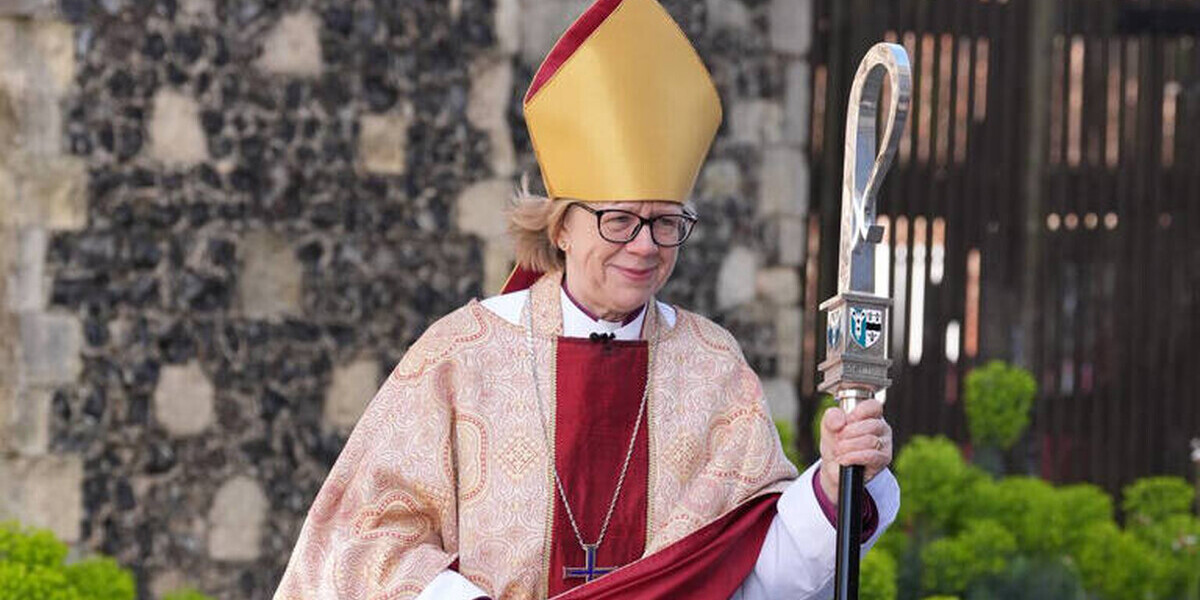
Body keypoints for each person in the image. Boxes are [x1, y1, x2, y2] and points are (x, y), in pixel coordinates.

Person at [274, 0, 899, 598]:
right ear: (561, 228)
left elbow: (753, 572)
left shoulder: (711, 367)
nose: (644, 246)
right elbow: (366, 539)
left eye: (665, 222)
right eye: (619, 220)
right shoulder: (465, 354)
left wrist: (832, 486)